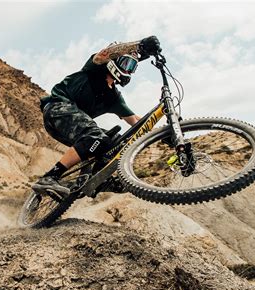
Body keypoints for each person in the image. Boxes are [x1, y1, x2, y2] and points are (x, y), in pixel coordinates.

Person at [32, 36, 162, 198]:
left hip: (71, 129)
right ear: (114, 61)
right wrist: (140, 46)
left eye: (132, 67)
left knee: (116, 142)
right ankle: (50, 177)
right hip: (57, 109)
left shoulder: (114, 98)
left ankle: (94, 181)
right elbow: (106, 53)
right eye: (126, 63)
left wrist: (161, 136)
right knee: (95, 135)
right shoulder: (95, 69)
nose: (128, 70)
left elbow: (137, 122)